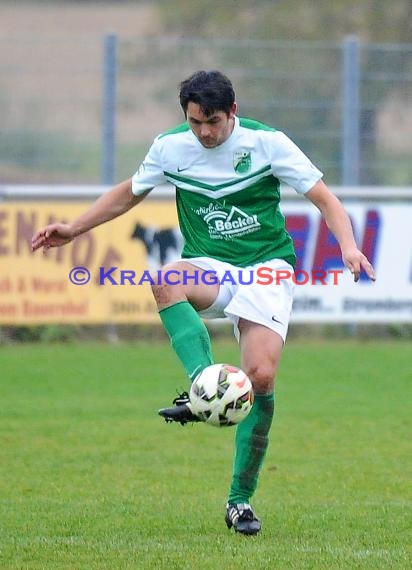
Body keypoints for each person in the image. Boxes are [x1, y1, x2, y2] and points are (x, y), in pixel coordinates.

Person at [31, 70, 376, 536]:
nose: (204, 132)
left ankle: (239, 501)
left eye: (212, 121)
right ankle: (201, 386)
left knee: (262, 378)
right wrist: (75, 228)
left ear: (232, 112)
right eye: (195, 122)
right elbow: (129, 194)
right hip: (209, 264)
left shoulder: (267, 143)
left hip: (265, 268)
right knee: (165, 280)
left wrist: (349, 247)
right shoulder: (171, 146)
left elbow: (325, 200)